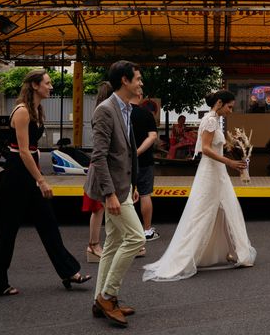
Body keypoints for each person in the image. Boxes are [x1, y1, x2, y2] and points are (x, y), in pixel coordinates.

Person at [0, 69, 90, 297]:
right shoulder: (22, 111)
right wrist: (41, 181)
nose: (51, 86)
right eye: (47, 82)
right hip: (17, 175)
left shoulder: (36, 109)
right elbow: (24, 152)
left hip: (27, 173)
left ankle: (69, 272)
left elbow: (31, 151)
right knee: (8, 230)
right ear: (35, 85)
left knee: (48, 224)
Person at [142, 90, 256, 282]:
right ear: (219, 103)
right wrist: (229, 162)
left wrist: (235, 151)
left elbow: (214, 146)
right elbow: (205, 149)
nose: (230, 110)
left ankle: (234, 252)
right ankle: (233, 252)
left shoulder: (212, 119)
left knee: (224, 209)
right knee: (210, 211)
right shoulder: (211, 120)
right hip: (213, 172)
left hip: (216, 172)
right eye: (229, 106)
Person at [85, 60, 145, 328]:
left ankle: (101, 300)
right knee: (135, 238)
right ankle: (108, 296)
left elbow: (126, 152)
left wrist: (132, 183)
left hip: (122, 184)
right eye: (138, 79)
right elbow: (98, 157)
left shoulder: (127, 108)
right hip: (111, 188)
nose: (141, 83)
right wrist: (109, 194)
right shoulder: (105, 110)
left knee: (111, 244)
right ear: (125, 81)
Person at [83, 81, 113, 263]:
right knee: (98, 208)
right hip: (101, 168)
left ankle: (95, 245)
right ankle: (93, 245)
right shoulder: (104, 113)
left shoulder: (99, 111)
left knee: (100, 209)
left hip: (99, 167)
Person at [130, 93, 159, 250]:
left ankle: (127, 232)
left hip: (125, 162)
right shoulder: (146, 114)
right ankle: (147, 230)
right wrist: (139, 152)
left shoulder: (122, 112)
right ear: (139, 96)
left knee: (125, 196)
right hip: (145, 161)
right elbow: (153, 136)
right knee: (145, 194)